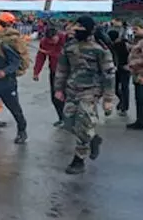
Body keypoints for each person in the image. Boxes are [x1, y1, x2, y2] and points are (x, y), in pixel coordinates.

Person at [54, 16, 116, 175]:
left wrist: (108, 99)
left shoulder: (99, 49)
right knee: (68, 122)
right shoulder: (69, 47)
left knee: (83, 122)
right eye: (75, 27)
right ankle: (93, 138)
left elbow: (108, 74)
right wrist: (58, 89)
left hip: (90, 91)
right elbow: (62, 69)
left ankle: (79, 160)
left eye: (80, 28)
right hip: (72, 90)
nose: (76, 30)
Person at [33, 27, 67, 126]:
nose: (52, 43)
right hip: (54, 72)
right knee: (55, 97)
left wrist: (52, 53)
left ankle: (71, 119)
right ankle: (62, 118)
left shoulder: (66, 38)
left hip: (68, 72)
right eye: (49, 41)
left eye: (53, 40)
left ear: (57, 35)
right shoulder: (44, 42)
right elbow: (40, 57)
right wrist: (36, 72)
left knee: (68, 96)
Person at [107, 28, 131, 116]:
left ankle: (124, 107)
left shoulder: (124, 44)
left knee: (124, 88)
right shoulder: (112, 45)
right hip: (116, 68)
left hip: (125, 68)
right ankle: (122, 102)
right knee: (117, 88)